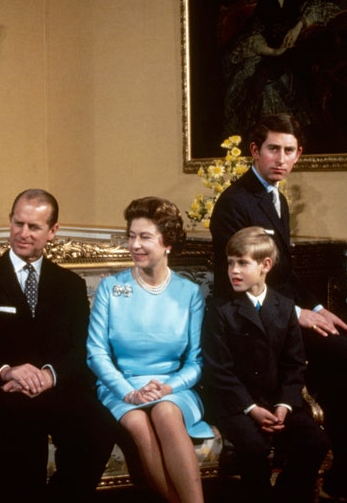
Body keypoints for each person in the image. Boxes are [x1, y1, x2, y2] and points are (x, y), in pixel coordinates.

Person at [209, 113, 347, 503]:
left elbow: (284, 272)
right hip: (253, 323)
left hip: (282, 313)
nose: (281, 158)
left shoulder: (276, 197)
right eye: (273, 149)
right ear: (254, 152)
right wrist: (299, 316)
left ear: (299, 155)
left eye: (289, 151)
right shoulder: (234, 203)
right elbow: (241, 278)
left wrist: (317, 307)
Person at [0, 189, 116, 502]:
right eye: (18, 223)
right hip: (2, 395)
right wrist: (5, 372)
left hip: (55, 390)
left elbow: (80, 350)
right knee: (20, 439)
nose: (23, 233)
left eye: (34, 227)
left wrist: (49, 375)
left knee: (98, 426)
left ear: (53, 231)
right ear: (9, 221)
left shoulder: (70, 286)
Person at [87, 196, 213, 503]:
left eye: (145, 237)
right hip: (121, 387)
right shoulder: (111, 288)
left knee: (167, 413)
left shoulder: (189, 293)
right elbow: (96, 352)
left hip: (172, 387)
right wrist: (128, 392)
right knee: (139, 425)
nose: (135, 245)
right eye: (131, 236)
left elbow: (196, 361)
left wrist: (168, 387)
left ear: (167, 243)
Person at [202, 226, 329, 502]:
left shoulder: (284, 307)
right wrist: (251, 409)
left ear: (265, 265)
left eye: (242, 263)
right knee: (254, 447)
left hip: (276, 400)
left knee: (315, 440)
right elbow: (219, 371)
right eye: (230, 263)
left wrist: (284, 405)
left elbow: (295, 365)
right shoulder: (220, 310)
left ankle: (285, 496)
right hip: (235, 403)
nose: (234, 271)